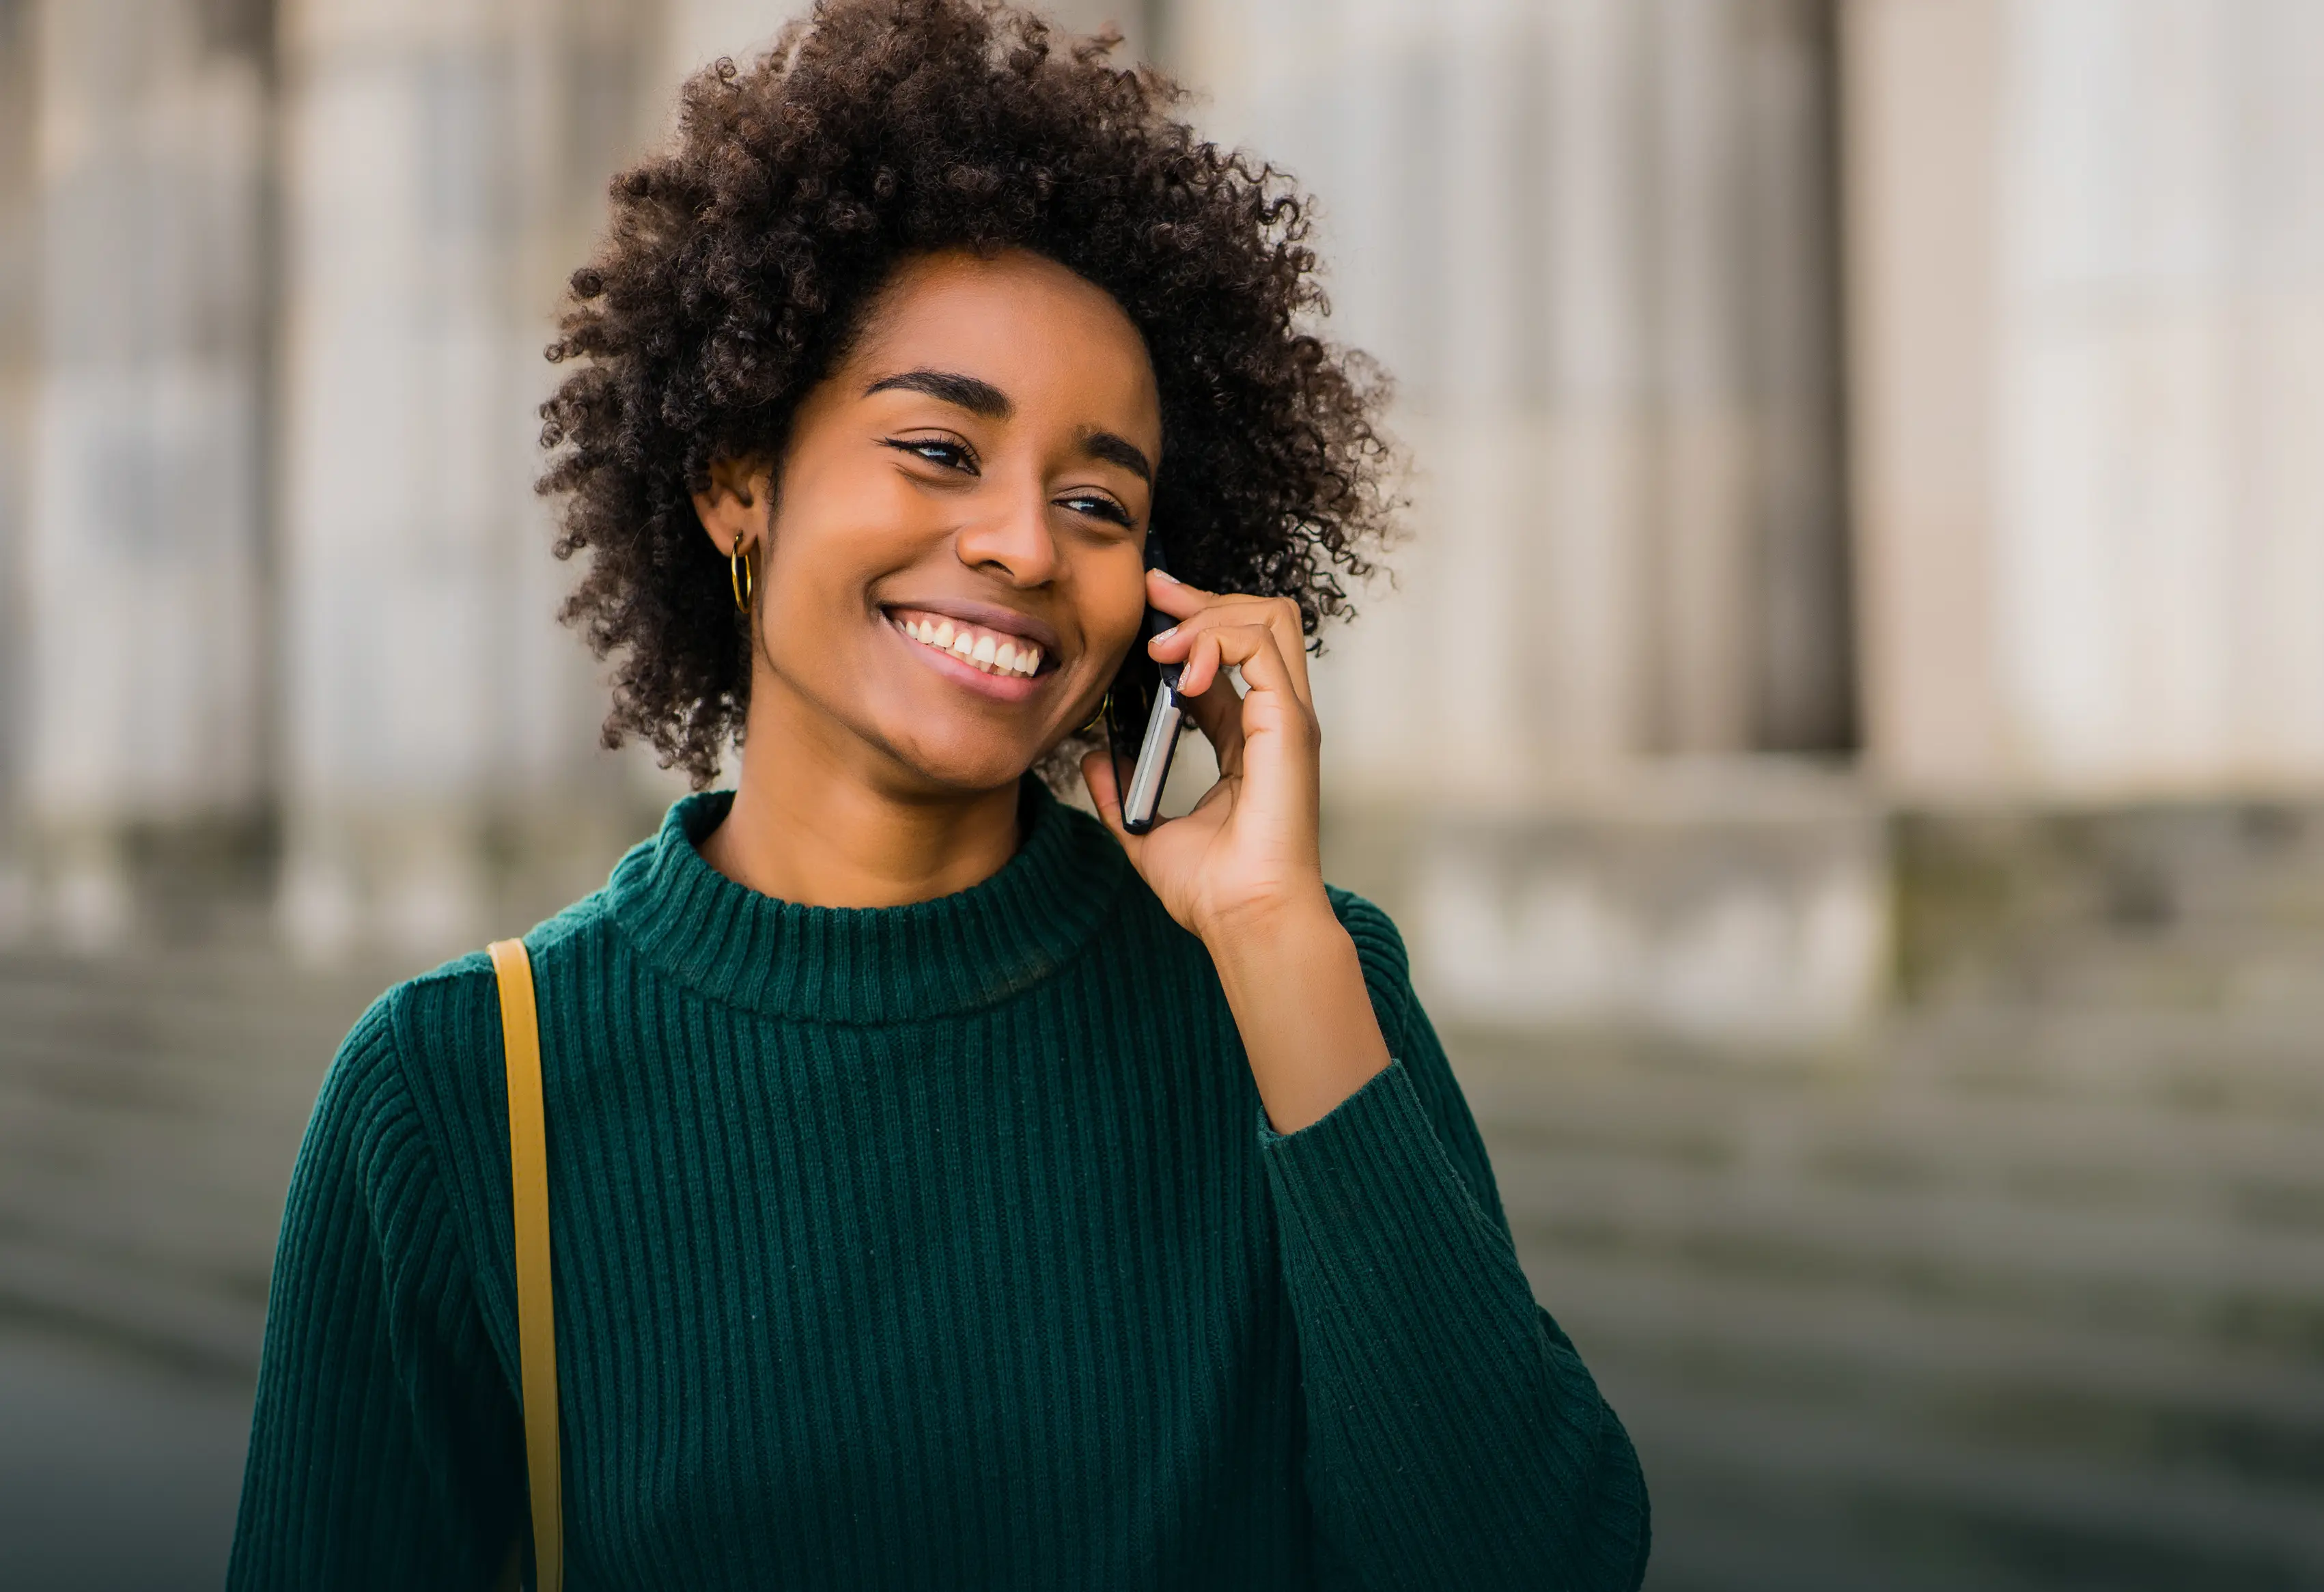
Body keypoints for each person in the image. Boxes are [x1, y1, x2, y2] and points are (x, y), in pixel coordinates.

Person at [224, 3, 1649, 1586]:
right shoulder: (456, 1094)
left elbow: (1536, 1556)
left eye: (1098, 497)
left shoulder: (1291, 993)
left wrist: (1271, 935)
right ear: (736, 481)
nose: (1028, 545)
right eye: (938, 447)